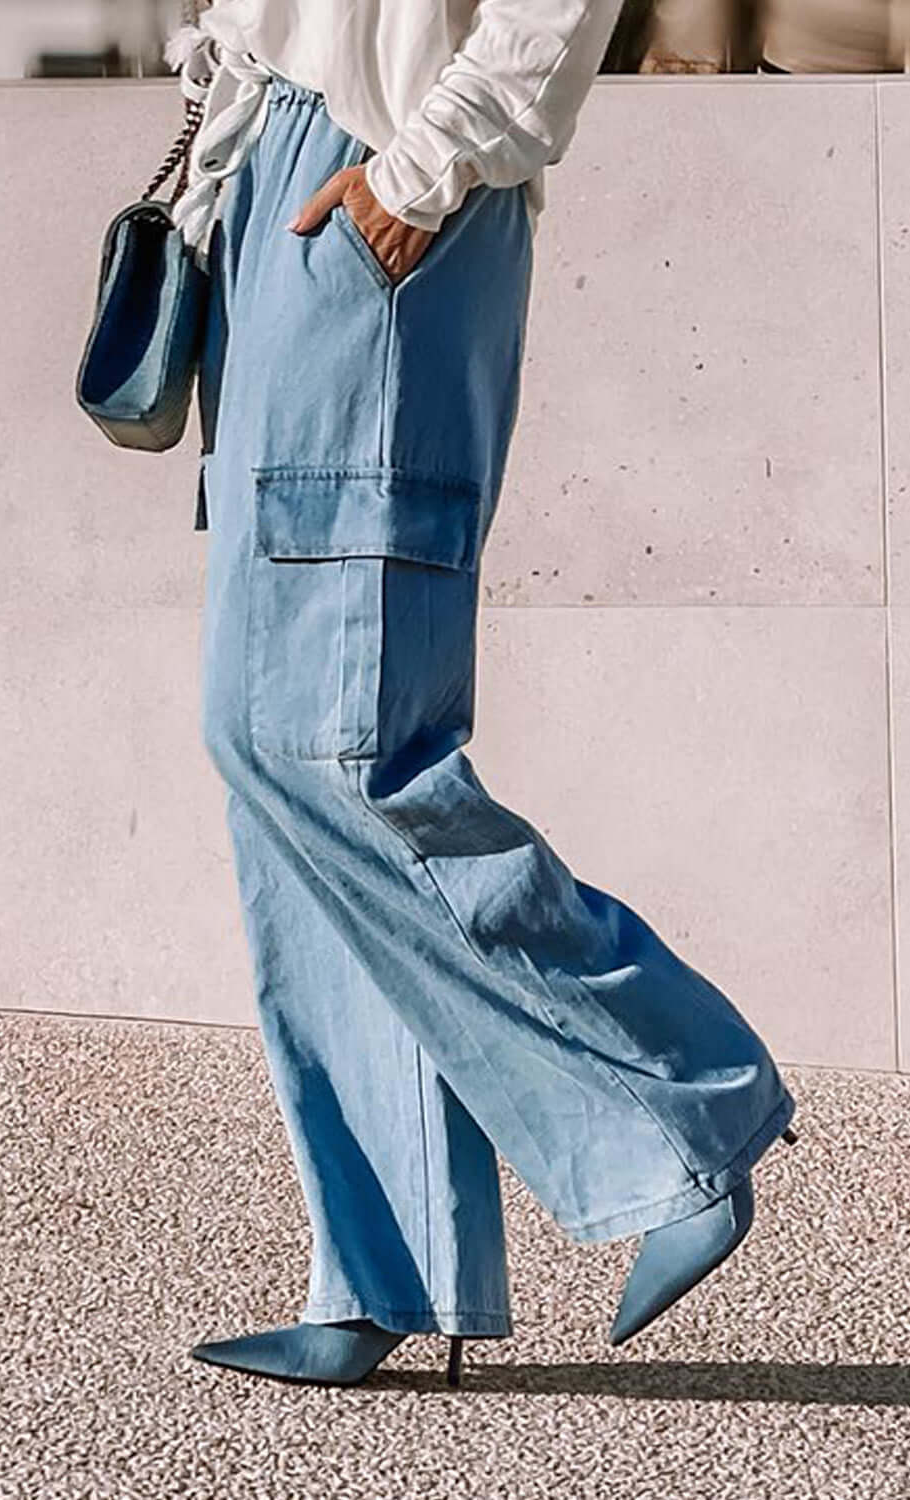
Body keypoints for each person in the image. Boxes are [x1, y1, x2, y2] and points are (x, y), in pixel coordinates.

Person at [166, 0, 798, 1390]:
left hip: (385, 178)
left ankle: (679, 1099)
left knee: (339, 747)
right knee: (275, 756)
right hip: (279, 181)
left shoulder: (407, 170)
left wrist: (419, 169)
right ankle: (385, 1268)